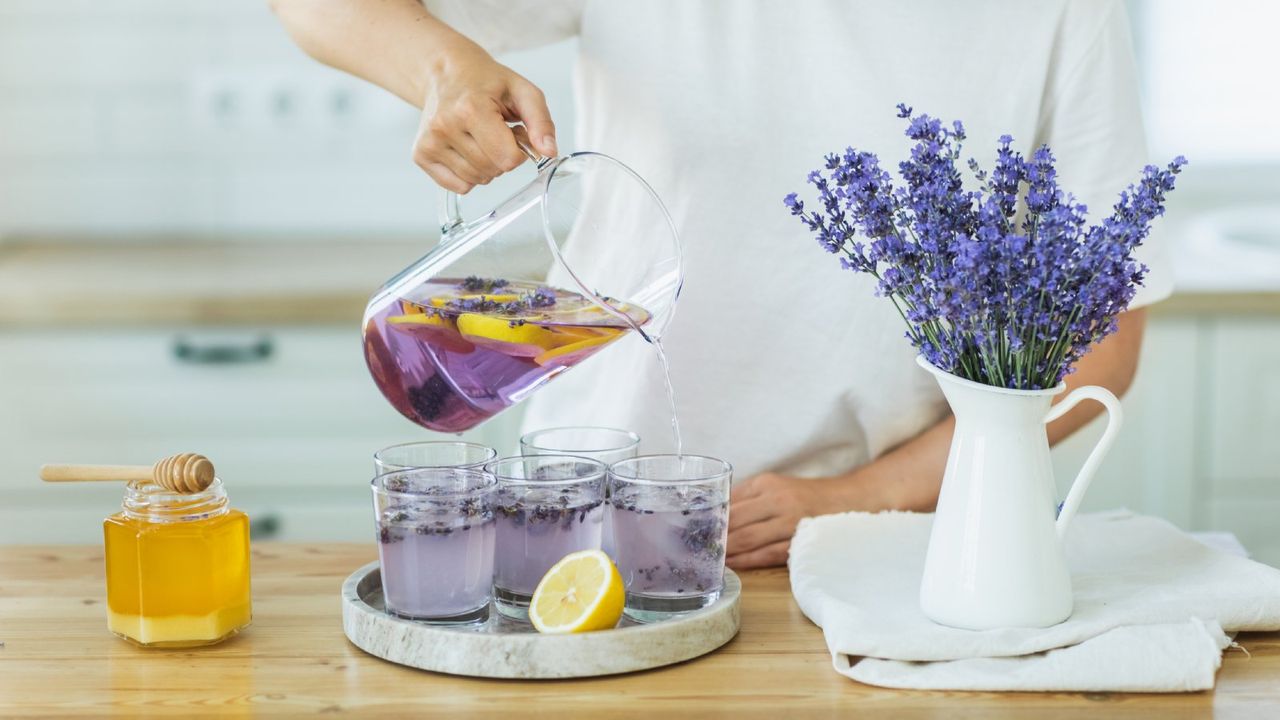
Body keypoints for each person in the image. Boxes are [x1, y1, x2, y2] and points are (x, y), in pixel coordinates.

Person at [271, 0, 1166, 569]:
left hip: (881, 547)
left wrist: (855, 497)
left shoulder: (1063, 15)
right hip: (585, 505)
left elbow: (1103, 344)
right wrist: (443, 70)